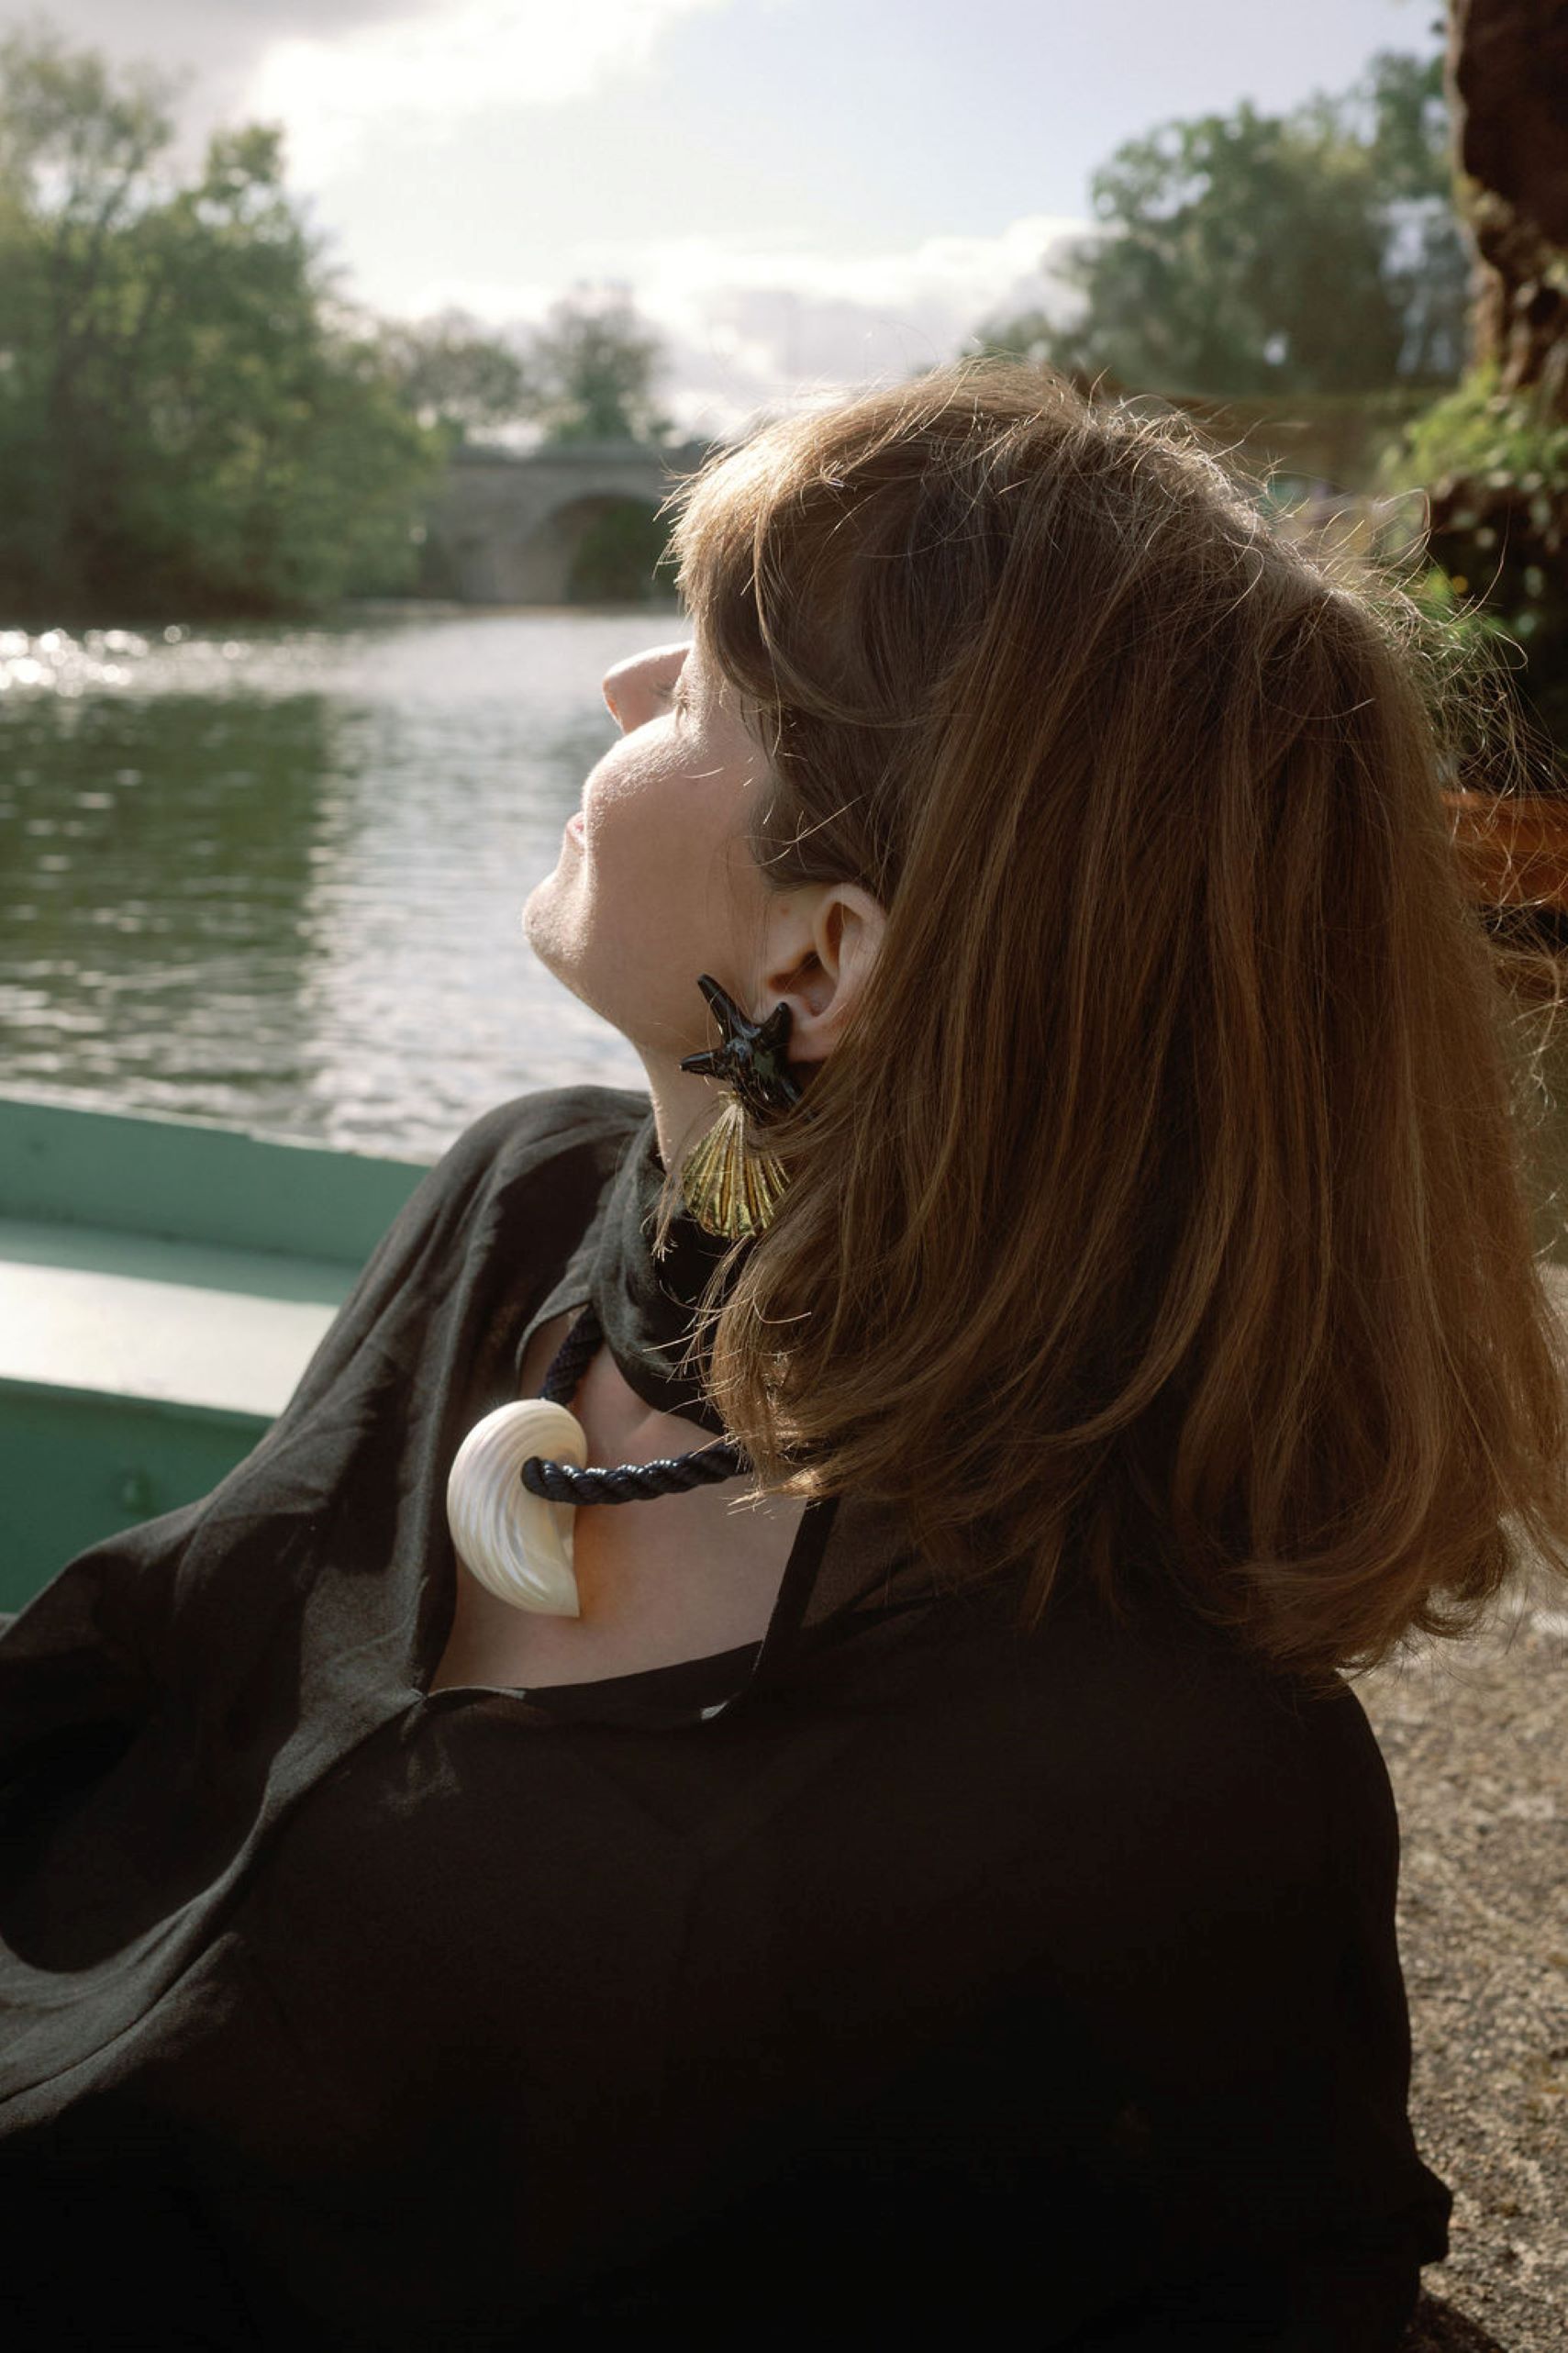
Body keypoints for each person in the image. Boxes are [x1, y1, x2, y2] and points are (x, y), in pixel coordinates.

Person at [2, 360, 1564, 2349]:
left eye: (708, 685)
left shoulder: (1169, 1791)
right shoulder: (521, 1208)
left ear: (818, 961)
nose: (621, 684)